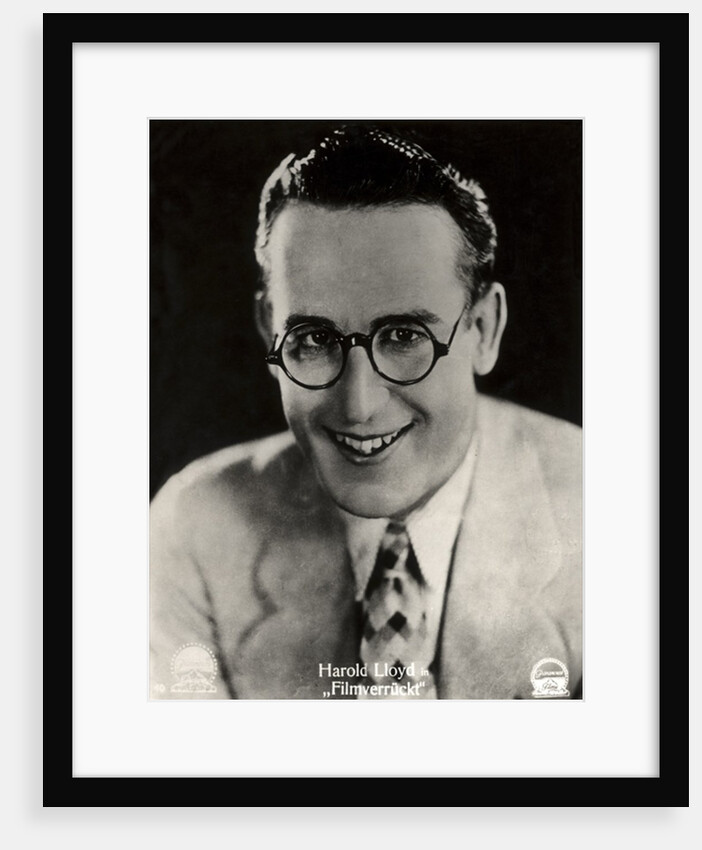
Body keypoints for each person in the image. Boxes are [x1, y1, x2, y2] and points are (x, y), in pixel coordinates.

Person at [150, 126, 582, 700]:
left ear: (483, 330)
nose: (358, 406)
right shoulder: (194, 527)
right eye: (312, 339)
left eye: (404, 336)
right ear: (268, 333)